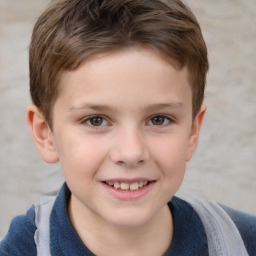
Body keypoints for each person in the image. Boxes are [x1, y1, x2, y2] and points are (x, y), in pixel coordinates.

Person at [0, 0, 255, 255]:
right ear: (46, 134)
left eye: (159, 119)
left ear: (192, 132)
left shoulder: (245, 242)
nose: (131, 153)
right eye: (96, 120)